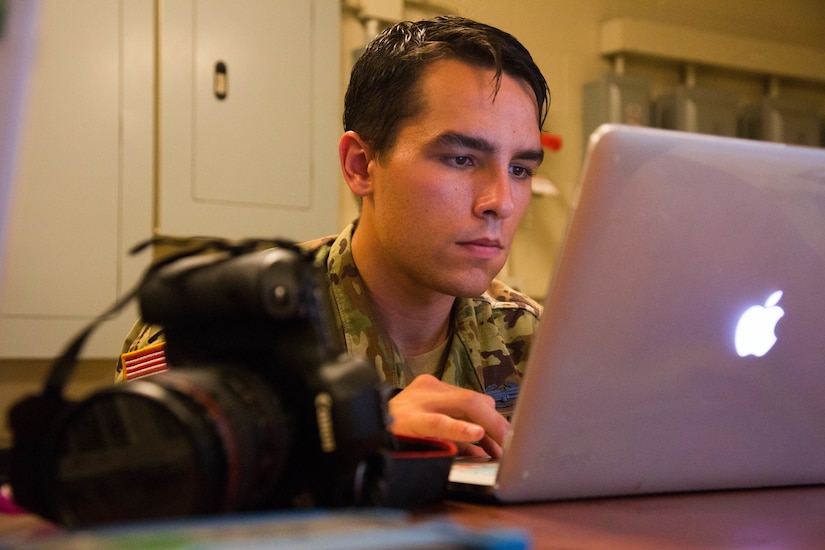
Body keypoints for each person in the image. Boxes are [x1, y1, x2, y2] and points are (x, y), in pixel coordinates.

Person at [117, 15, 551, 458]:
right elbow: (137, 487)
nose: (502, 201)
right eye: (461, 158)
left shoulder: (531, 337)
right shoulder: (223, 323)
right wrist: (344, 436)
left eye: (520, 170)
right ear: (361, 165)